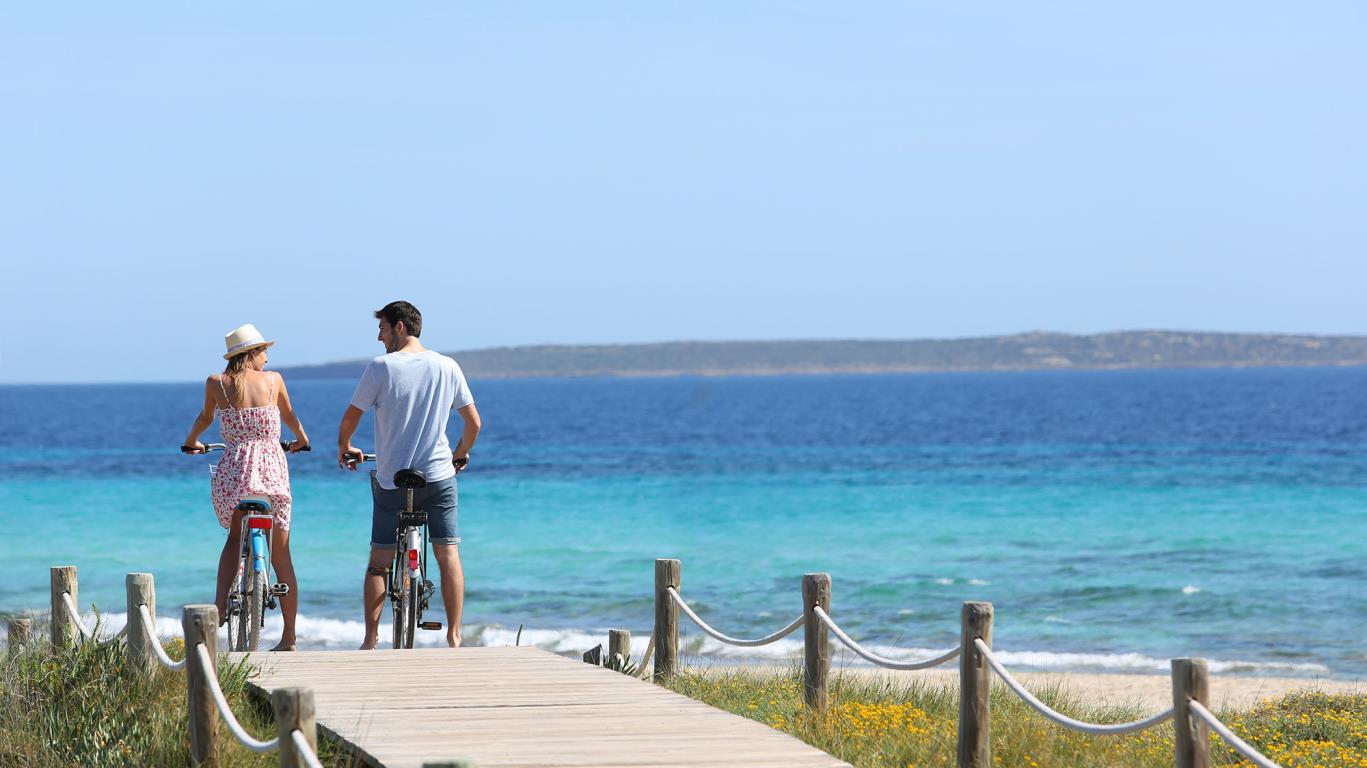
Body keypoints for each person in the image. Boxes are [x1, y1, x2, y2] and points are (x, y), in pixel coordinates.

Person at [338, 301, 481, 650]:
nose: (379, 336)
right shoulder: (448, 366)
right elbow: (473, 423)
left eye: (382, 328)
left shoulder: (380, 368)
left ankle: (371, 640)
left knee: (378, 564)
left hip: (393, 482)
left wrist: (346, 446)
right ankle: (454, 636)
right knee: (448, 555)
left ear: (400, 327)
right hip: (438, 477)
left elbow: (350, 418)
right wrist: (461, 453)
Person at [182, 323, 310, 651]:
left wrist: (191, 442)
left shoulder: (216, 383)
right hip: (272, 472)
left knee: (233, 539)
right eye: (263, 351)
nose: (266, 358)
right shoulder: (274, 381)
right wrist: (302, 439)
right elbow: (291, 418)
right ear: (251, 352)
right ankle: (289, 638)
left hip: (235, 472)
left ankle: (221, 607)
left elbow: (204, 419)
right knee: (282, 556)